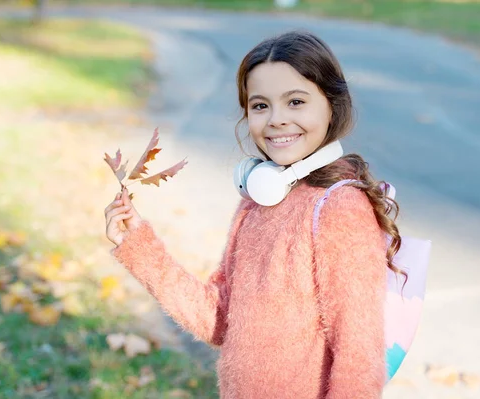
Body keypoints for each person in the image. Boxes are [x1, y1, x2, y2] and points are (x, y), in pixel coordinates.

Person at [104, 30, 404, 399]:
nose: (276, 119)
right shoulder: (258, 200)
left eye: (296, 101)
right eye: (260, 106)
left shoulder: (339, 209)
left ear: (332, 105)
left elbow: (358, 355)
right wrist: (139, 247)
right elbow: (219, 321)